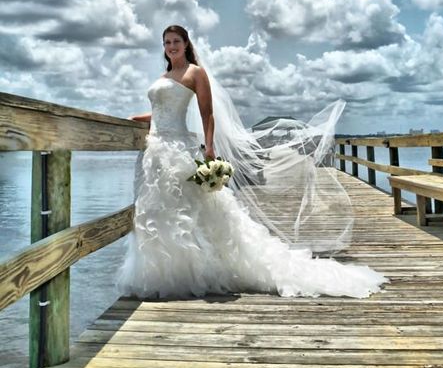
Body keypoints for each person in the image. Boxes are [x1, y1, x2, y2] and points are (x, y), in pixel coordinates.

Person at [116, 25, 388, 299]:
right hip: (156, 153)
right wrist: (134, 119)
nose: (171, 46)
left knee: (191, 212)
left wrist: (209, 148)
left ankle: (195, 272)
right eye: (166, 42)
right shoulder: (164, 76)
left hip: (178, 151)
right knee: (158, 212)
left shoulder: (194, 73)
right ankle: (163, 274)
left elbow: (207, 113)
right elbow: (160, 113)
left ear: (186, 44)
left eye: (176, 41)